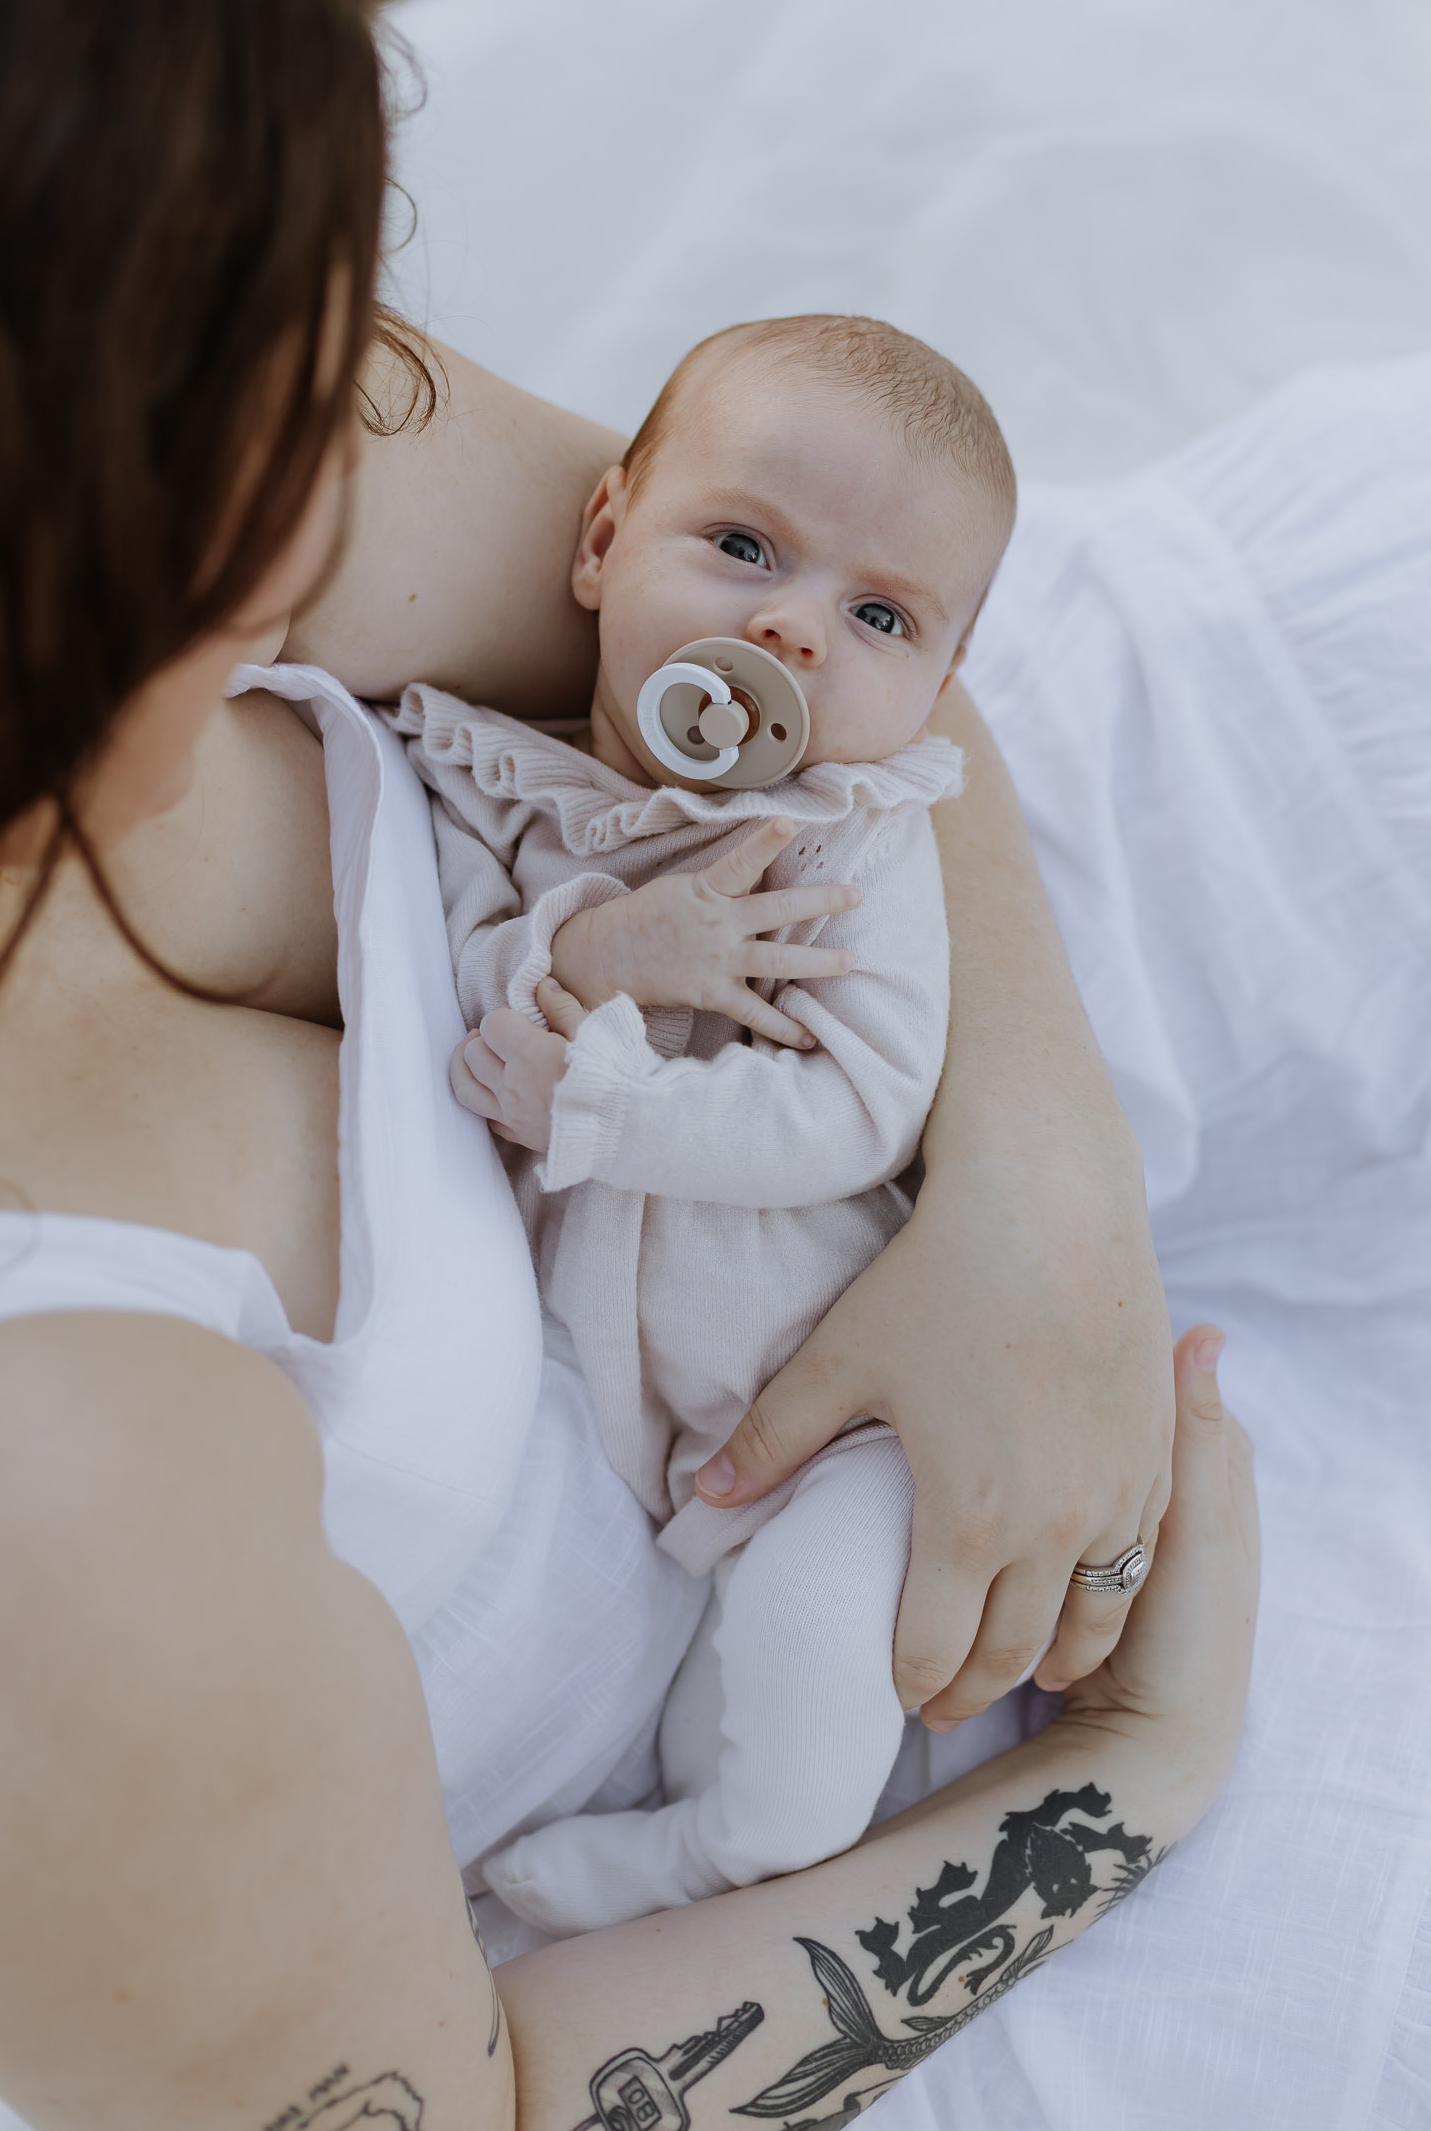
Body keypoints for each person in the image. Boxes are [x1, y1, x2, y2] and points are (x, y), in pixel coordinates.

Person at [0, 0, 1252, 2131]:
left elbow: (825, 661)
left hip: (880, 1292)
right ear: (4, 553)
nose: (375, 435)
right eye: (289, 397)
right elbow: (461, 2100)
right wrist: (1134, 1766)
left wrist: (1037, 1190)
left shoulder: (82, 378)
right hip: (697, 1891)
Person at [396, 314, 1020, 1930]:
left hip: (833, 1422)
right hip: (596, 1423)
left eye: (878, 614)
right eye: (744, 544)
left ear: (939, 685)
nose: (794, 630)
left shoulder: (856, 845)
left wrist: (610, 1099)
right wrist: (596, 953)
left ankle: (718, 1855)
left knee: (812, 1670)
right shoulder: (491, 785)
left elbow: (860, 1107)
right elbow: (443, 976)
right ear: (604, 539)